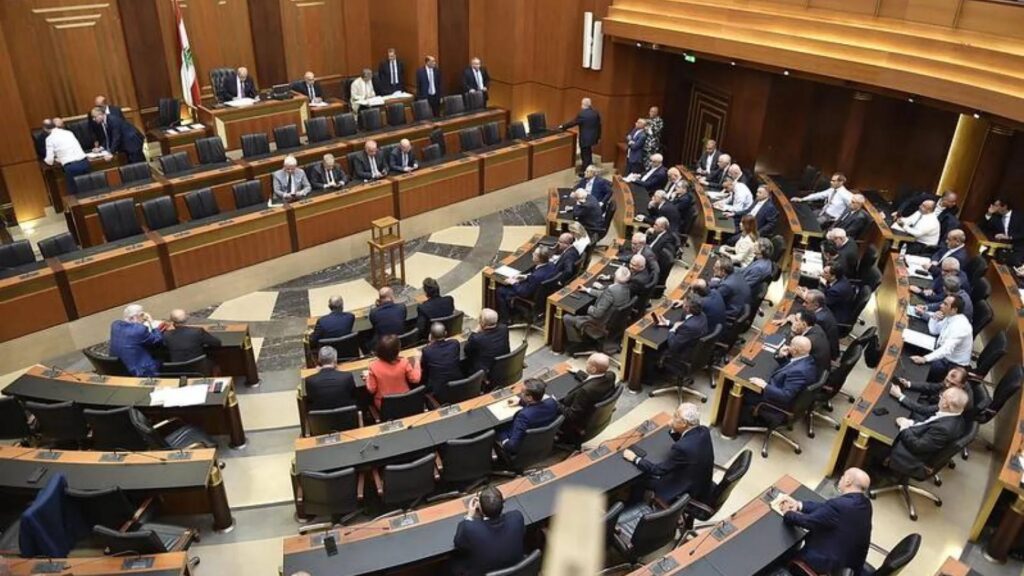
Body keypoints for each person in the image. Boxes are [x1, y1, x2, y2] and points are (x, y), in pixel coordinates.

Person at [776, 468, 873, 576]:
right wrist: (799, 505)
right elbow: (825, 509)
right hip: (848, 563)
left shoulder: (839, 506)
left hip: (825, 564)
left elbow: (808, 522)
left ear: (848, 481)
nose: (841, 478)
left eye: (843, 476)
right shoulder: (865, 504)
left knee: (783, 554)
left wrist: (787, 513)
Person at [624, 402, 715, 505]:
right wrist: (674, 428)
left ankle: (633, 504)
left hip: (683, 488)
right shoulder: (704, 430)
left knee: (640, 479)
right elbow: (685, 439)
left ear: (684, 423)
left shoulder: (682, 448)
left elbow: (658, 470)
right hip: (701, 482)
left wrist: (635, 458)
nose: (672, 418)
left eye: (675, 416)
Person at [886, 387, 969, 478]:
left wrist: (904, 428)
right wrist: (911, 422)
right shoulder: (956, 415)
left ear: (945, 405)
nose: (939, 397)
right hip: (922, 440)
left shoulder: (943, 429)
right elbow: (928, 425)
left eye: (942, 396)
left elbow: (917, 446)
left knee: (882, 436)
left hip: (911, 457)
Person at [741, 336, 817, 425]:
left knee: (743, 389)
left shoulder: (799, 372)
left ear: (795, 351)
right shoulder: (807, 359)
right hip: (780, 387)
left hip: (774, 403)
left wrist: (764, 385)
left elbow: (785, 396)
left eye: (790, 345)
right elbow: (789, 368)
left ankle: (736, 422)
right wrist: (780, 356)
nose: (788, 346)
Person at [451, 487, 526, 576]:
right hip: (517, 571)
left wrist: (469, 516)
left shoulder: (469, 528)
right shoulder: (517, 517)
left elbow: (458, 543)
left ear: (480, 509)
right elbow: (522, 532)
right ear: (503, 504)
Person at [909, 295, 973, 382]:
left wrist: (925, 359)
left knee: (916, 368)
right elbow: (934, 330)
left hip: (952, 364)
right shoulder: (950, 316)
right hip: (942, 352)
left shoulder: (960, 327)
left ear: (954, 310)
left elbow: (946, 349)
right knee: (912, 347)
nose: (941, 305)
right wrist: (934, 318)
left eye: (945, 304)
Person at [563, 266, 631, 346]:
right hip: (613, 322)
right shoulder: (626, 288)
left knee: (567, 318)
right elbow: (604, 294)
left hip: (599, 323)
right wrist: (587, 290)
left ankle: (577, 344)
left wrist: (587, 307)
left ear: (615, 276)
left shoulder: (611, 291)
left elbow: (597, 314)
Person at [558, 353, 615, 443]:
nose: (586, 363)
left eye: (588, 362)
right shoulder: (610, 376)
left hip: (574, 421)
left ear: (593, 369)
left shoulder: (585, 391)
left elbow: (572, 415)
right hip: (590, 413)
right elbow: (595, 380)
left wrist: (555, 403)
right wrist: (579, 373)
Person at [495, 246, 557, 322]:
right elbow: (539, 276)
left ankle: (505, 319)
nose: (532, 254)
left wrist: (514, 283)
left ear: (538, 259)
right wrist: (526, 277)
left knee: (500, 290)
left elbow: (524, 293)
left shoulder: (536, 276)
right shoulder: (551, 265)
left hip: (532, 296)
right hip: (542, 295)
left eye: (534, 254)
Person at [499, 378, 559, 453]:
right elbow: (538, 407)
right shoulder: (552, 402)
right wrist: (520, 402)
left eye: (522, 392)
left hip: (522, 446)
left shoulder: (523, 416)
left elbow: (512, 446)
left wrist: (504, 439)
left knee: (498, 428)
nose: (520, 394)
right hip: (541, 440)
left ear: (530, 398)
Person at [889, 366, 971, 421]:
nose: (947, 385)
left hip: (933, 420)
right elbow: (930, 386)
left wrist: (900, 396)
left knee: (904, 411)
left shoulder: (955, 399)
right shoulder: (952, 383)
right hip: (931, 404)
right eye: (946, 380)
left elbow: (924, 410)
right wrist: (908, 384)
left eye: (953, 384)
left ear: (962, 385)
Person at [364, 335, 421, 410]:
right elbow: (416, 379)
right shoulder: (404, 362)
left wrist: (367, 377)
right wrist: (417, 361)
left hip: (385, 405)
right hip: (405, 400)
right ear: (397, 351)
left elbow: (371, 389)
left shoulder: (373, 366)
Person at [42, 119, 94, 195]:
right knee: (91, 189)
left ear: (45, 129)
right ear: (54, 125)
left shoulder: (49, 139)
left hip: (71, 167)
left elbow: (49, 160)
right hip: (85, 163)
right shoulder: (68, 133)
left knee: (76, 194)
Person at [109, 304, 163, 377]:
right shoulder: (139, 330)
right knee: (162, 357)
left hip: (118, 369)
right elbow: (157, 339)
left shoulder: (115, 325)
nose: (143, 318)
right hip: (140, 371)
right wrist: (152, 322)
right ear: (133, 317)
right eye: (142, 315)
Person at [777, 310, 831, 378]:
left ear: (804, 324)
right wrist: (789, 318)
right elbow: (795, 320)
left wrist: (793, 334)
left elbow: (792, 361)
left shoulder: (805, 342)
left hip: (809, 374)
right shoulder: (815, 327)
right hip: (821, 367)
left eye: (796, 320)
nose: (794, 322)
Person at [303, 346, 357, 411]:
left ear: (319, 360)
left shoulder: (310, 381)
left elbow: (310, 400)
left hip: (321, 417)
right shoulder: (347, 377)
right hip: (347, 415)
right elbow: (354, 395)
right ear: (335, 359)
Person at [465, 309, 511, 382]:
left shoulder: (477, 338)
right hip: (503, 366)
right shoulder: (504, 328)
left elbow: (467, 351)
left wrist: (475, 332)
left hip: (485, 372)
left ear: (482, 322)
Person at [420, 322, 464, 399]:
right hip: (458, 383)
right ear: (446, 333)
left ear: (430, 336)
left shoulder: (427, 351)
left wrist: (430, 343)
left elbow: (424, 369)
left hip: (438, 390)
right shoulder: (455, 343)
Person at [658, 296, 708, 360]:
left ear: (687, 308)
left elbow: (673, 345)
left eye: (683, 303)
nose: (682, 304)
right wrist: (667, 323)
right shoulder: (702, 315)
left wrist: (673, 329)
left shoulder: (689, 326)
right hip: (695, 345)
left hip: (683, 353)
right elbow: (684, 326)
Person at [559, 98, 602, 174]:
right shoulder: (595, 113)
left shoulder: (582, 114)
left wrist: (563, 126)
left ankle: (585, 171)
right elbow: (599, 126)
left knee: (584, 154)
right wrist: (598, 137)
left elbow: (573, 122)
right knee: (589, 152)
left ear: (583, 105)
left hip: (585, 138)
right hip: (593, 137)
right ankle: (590, 165)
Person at [981, 198, 1024, 264]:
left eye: (996, 206)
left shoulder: (1019, 217)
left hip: (1016, 249)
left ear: (1004, 207)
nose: (994, 208)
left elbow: (1022, 234)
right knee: (984, 257)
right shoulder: (996, 216)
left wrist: (1009, 237)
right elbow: (982, 227)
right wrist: (989, 214)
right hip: (999, 247)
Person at [801, 290, 840, 359]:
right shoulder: (823, 308)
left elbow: (804, 334)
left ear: (816, 305)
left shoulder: (819, 319)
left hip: (824, 354)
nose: (803, 304)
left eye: (806, 302)